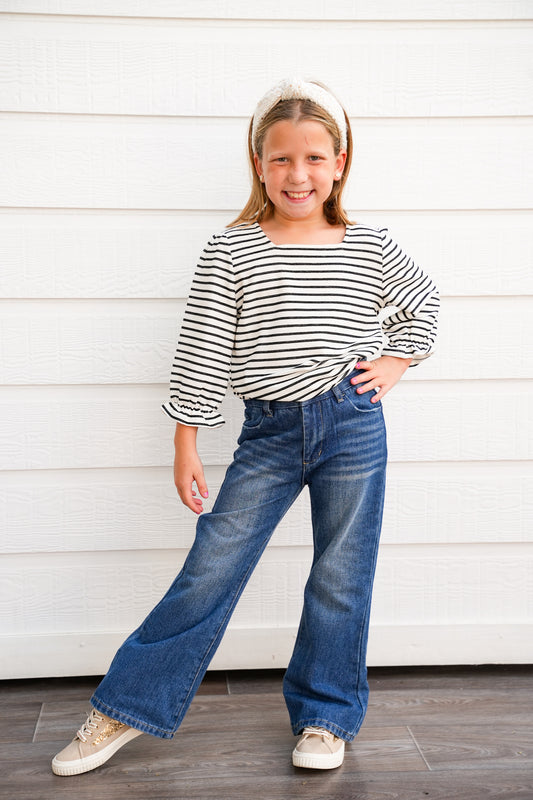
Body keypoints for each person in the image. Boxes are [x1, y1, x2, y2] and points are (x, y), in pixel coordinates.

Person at [52, 77, 439, 776]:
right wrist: (185, 441)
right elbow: (200, 349)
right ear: (259, 164)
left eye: (315, 158)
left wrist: (395, 362)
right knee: (211, 568)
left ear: (340, 162)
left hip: (352, 424)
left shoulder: (369, 243)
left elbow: (422, 304)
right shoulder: (232, 249)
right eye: (282, 159)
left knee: (340, 575)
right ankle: (124, 706)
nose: (299, 174)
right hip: (266, 433)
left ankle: (325, 718)